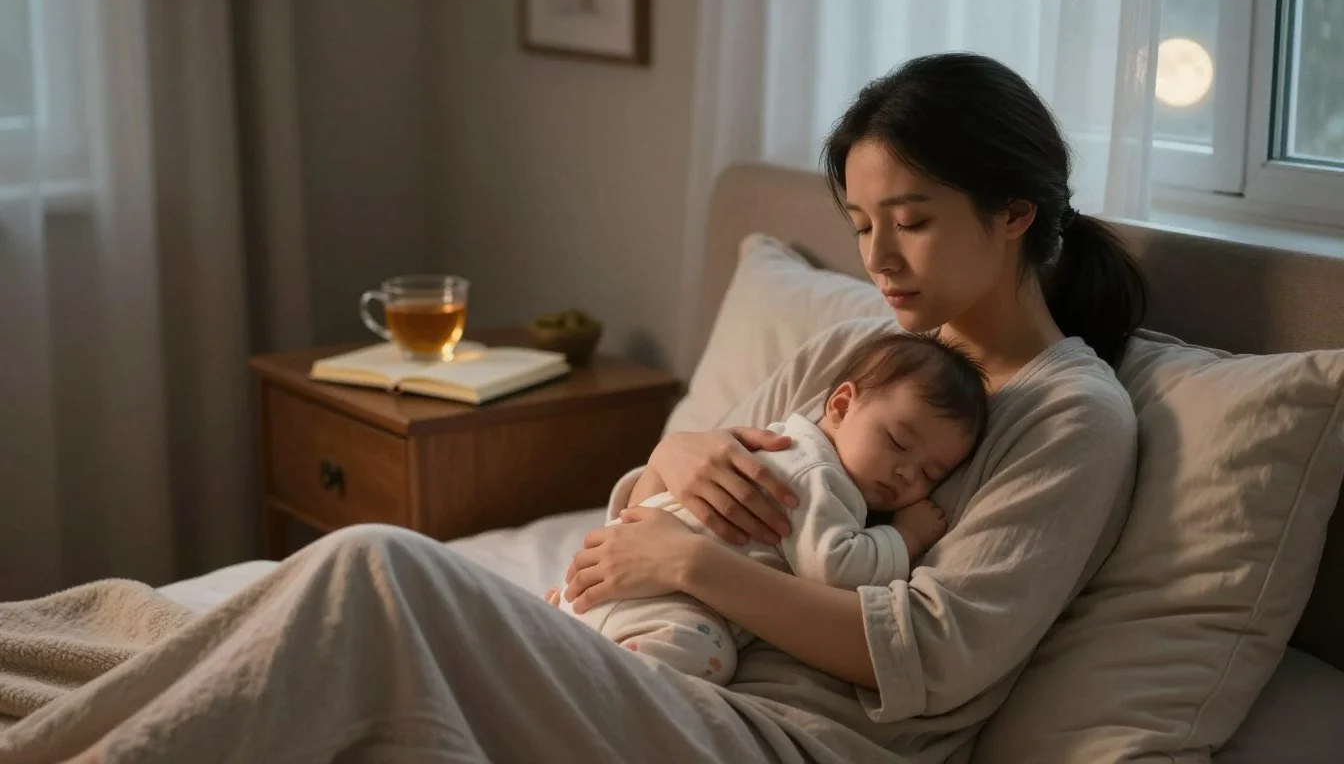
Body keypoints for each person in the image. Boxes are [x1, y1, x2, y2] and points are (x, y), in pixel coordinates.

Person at [34, 52, 1144, 764]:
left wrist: (694, 564)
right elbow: (648, 506)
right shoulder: (860, 351)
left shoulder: (1073, 418)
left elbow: (934, 657)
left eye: (912, 220)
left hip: (788, 733)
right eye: (860, 225)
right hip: (655, 655)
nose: (878, 258)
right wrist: (679, 453)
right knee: (323, 607)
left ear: (1013, 212)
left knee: (380, 568)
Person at [556, 332, 989, 686]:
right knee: (705, 659)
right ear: (841, 406)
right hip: (663, 604)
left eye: (931, 473)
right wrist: (905, 537)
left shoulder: (782, 442)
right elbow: (836, 568)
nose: (907, 474)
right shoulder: (818, 474)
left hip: (606, 587)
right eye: (897, 442)